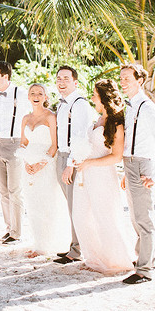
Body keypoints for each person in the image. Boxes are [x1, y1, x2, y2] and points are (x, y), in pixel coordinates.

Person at [73, 79, 135, 274]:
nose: (92, 98)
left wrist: (90, 163)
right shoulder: (97, 120)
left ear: (103, 97)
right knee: (82, 216)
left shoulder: (116, 123)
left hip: (102, 176)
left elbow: (116, 156)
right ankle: (94, 257)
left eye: (94, 94)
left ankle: (115, 260)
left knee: (104, 217)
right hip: (85, 174)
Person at [119, 64, 155, 285]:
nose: (122, 82)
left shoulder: (147, 108)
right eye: (121, 78)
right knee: (135, 216)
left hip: (143, 165)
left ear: (139, 80)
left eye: (127, 78)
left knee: (144, 218)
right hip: (130, 164)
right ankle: (145, 257)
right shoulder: (130, 106)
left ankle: (144, 270)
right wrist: (125, 169)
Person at [18, 84, 71, 257]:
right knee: (32, 203)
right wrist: (26, 161)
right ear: (28, 96)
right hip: (28, 165)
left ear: (46, 97)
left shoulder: (51, 117)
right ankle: (38, 242)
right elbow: (23, 143)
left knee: (47, 202)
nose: (36, 96)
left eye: (40, 93)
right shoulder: (25, 118)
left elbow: (55, 145)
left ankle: (49, 243)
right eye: (32, 93)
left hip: (46, 163)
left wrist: (42, 163)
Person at [0, 61, 31, 244]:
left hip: (15, 143)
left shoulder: (20, 93)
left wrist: (25, 142)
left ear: (6, 76)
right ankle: (8, 227)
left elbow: (28, 117)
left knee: (15, 190)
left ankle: (17, 232)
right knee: (3, 190)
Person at [54, 65, 93, 265]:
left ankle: (77, 251)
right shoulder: (62, 104)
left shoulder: (79, 104)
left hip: (72, 158)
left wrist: (70, 164)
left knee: (75, 206)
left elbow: (80, 137)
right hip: (61, 156)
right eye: (59, 78)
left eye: (66, 79)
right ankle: (74, 245)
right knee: (70, 206)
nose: (61, 82)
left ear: (75, 82)